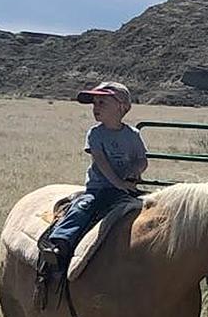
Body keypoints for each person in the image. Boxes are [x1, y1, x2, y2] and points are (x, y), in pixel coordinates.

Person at [38, 81, 148, 268]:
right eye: (94, 103)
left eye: (102, 103)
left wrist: (135, 170)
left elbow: (141, 160)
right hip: (99, 188)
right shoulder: (96, 134)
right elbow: (101, 163)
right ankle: (59, 242)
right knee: (83, 208)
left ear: (122, 107)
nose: (96, 107)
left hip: (126, 189)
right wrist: (119, 184)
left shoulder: (133, 134)